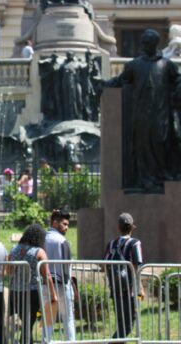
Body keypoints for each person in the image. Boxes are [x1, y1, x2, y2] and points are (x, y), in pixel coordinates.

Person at [105, 29, 181, 191]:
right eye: (145, 42)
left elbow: (178, 82)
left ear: (155, 44)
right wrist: (103, 85)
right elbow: (119, 81)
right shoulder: (134, 65)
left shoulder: (167, 65)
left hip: (162, 114)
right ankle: (144, 179)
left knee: (161, 142)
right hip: (140, 115)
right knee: (142, 146)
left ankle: (161, 177)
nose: (146, 45)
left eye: (149, 42)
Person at [9, 224, 57, 344]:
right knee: (29, 322)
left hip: (15, 291)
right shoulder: (39, 252)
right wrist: (53, 294)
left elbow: (9, 270)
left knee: (26, 322)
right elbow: (47, 275)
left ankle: (24, 341)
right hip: (32, 291)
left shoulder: (14, 250)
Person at [104, 213, 144, 341]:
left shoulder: (111, 244)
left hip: (116, 289)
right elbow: (136, 267)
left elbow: (104, 264)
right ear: (132, 228)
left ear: (118, 227)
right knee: (128, 326)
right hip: (129, 291)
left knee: (121, 323)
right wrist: (140, 288)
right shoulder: (135, 243)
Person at [44, 209, 77, 342]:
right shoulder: (63, 241)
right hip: (62, 285)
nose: (67, 227)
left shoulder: (43, 238)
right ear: (55, 223)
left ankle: (46, 341)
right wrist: (72, 287)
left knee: (48, 320)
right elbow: (67, 267)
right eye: (64, 224)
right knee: (68, 318)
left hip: (46, 285)